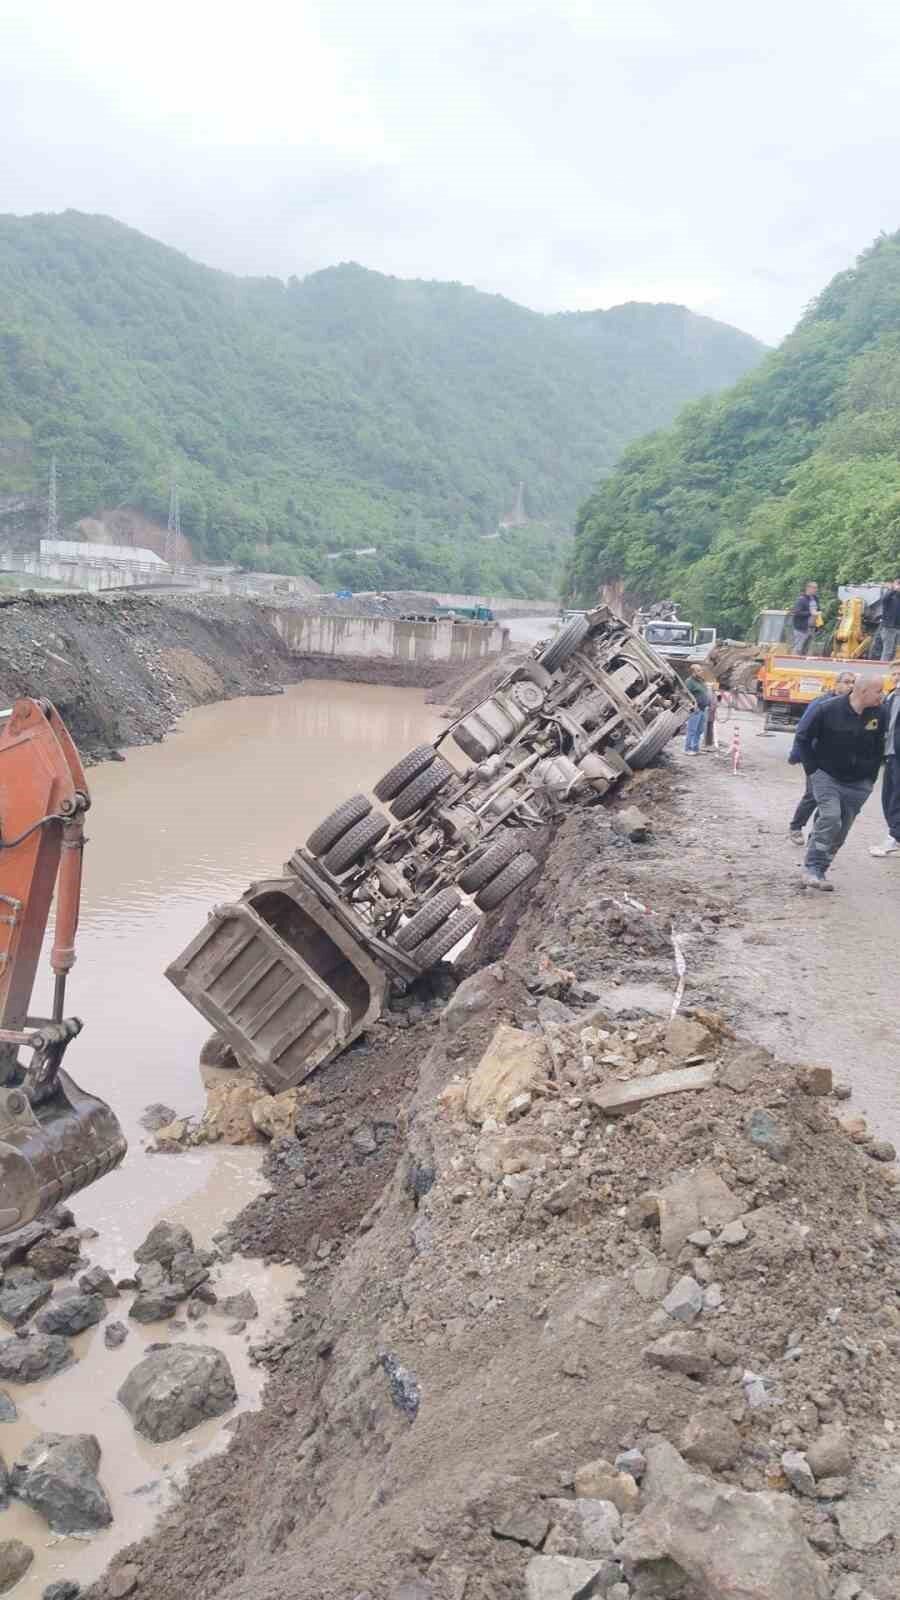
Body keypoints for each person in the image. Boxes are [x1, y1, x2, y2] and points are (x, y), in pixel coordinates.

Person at [789, 677, 886, 890]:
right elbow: (803, 738)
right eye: (878, 691)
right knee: (831, 817)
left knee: (841, 829)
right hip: (826, 775)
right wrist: (812, 770)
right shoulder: (826, 709)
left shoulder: (880, 713)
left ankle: (820, 870)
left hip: (859, 783)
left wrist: (870, 778)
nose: (882, 695)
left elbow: (880, 745)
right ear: (863, 691)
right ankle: (811, 868)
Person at [788, 671, 857, 844]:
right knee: (813, 795)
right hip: (816, 759)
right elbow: (803, 730)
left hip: (837, 762)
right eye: (847, 682)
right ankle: (796, 827)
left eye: (853, 682)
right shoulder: (821, 703)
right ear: (837, 684)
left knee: (829, 801)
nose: (850, 686)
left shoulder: (854, 707)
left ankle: (816, 835)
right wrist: (797, 755)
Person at [870, 661, 900, 856]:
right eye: (895, 674)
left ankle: (893, 838)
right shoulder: (891, 696)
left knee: (896, 797)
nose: (897, 677)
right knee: (888, 796)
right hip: (890, 754)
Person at [791, 582, 821, 655]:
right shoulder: (801, 600)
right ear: (808, 588)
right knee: (798, 648)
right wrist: (810, 613)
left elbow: (817, 609)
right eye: (814, 588)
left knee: (808, 649)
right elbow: (797, 612)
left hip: (812, 628)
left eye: (816, 588)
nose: (816, 590)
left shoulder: (815, 599)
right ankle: (794, 662)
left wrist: (818, 614)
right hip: (801, 628)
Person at [683, 673, 709, 755]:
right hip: (695, 710)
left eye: (701, 670)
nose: (700, 672)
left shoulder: (701, 681)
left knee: (699, 730)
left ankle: (695, 748)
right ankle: (687, 749)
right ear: (693, 672)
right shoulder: (689, 682)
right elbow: (685, 694)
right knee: (692, 730)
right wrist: (692, 706)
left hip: (703, 709)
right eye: (698, 670)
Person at [879, 578, 900, 662]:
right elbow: (884, 598)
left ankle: (891, 672)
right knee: (888, 651)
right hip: (888, 628)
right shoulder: (889, 597)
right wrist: (893, 589)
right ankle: (882, 670)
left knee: (895, 652)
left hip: (898, 628)